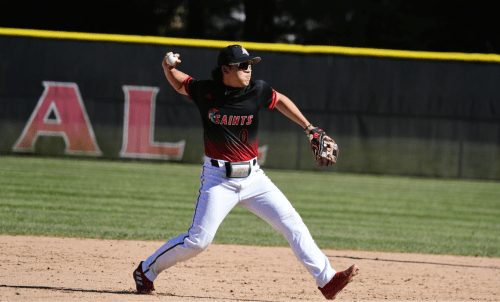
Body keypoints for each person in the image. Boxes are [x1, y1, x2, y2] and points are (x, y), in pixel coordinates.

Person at [132, 45, 358, 300]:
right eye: (242, 65)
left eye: (250, 64)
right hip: (218, 180)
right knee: (198, 242)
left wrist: (309, 128)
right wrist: (167, 67)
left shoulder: (257, 90)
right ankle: (146, 271)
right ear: (226, 69)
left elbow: (281, 100)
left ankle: (327, 279)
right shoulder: (207, 91)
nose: (248, 69)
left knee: (292, 223)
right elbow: (181, 82)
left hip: (253, 178)